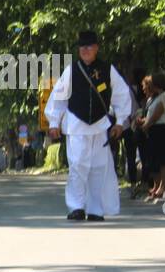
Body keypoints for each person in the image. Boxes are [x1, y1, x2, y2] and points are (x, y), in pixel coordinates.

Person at [44, 31, 132, 220]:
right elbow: (58, 97)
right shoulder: (71, 70)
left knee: (99, 167)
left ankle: (95, 209)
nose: (85, 50)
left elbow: (121, 95)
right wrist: (54, 122)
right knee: (77, 165)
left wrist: (120, 122)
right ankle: (76, 207)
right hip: (76, 124)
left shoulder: (108, 69)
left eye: (89, 46)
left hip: (100, 125)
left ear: (96, 48)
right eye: (82, 47)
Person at [137, 73, 165, 201]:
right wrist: (143, 122)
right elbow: (150, 116)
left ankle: (164, 185)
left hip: (162, 130)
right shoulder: (152, 99)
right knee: (153, 159)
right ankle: (157, 184)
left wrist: (146, 125)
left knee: (163, 157)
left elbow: (156, 115)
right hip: (153, 130)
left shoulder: (164, 96)